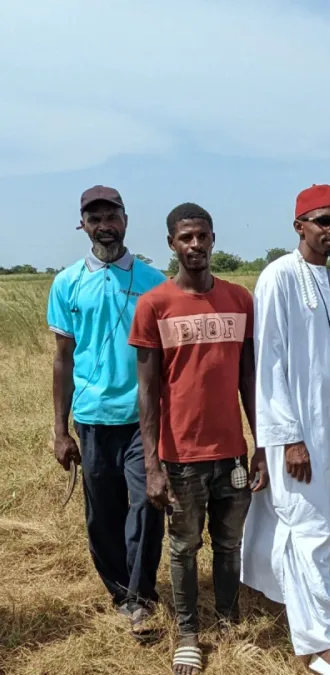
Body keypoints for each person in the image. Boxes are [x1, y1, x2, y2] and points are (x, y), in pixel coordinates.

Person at [129, 203, 265, 675]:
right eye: (185, 238)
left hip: (232, 452)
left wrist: (261, 442)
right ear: (172, 243)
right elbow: (147, 393)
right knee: (185, 547)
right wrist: (151, 465)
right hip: (181, 456)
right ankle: (188, 634)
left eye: (202, 236)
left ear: (213, 239)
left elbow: (250, 379)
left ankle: (228, 621)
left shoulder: (239, 300)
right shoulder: (155, 305)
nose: (195, 246)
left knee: (230, 544)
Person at [241, 184, 330, 675]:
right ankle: (319, 647)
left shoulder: (327, 279)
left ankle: (314, 629)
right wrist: (287, 436)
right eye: (323, 221)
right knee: (308, 532)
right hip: (297, 436)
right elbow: (268, 364)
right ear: (300, 227)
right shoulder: (278, 277)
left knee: (320, 532)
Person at [47, 185, 166, 637]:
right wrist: (60, 431)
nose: (104, 225)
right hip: (92, 418)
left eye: (110, 215)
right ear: (83, 225)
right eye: (94, 218)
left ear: (126, 219)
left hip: (143, 419)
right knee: (102, 514)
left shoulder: (155, 282)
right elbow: (63, 356)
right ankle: (120, 590)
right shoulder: (67, 283)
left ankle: (140, 596)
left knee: (147, 505)